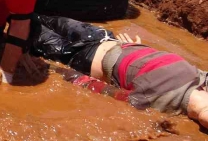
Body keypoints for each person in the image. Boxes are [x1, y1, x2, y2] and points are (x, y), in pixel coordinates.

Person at [28, 15, 208, 129]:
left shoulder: (152, 100)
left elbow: (97, 87)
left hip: (79, 55)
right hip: (104, 37)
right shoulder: (201, 78)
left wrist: (53, 69)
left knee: (27, 25)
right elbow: (156, 60)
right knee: (45, 17)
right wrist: (138, 46)